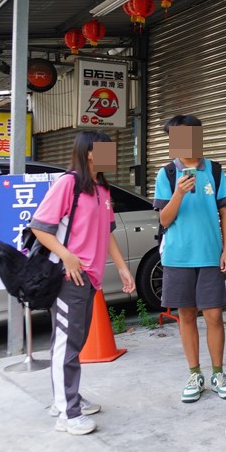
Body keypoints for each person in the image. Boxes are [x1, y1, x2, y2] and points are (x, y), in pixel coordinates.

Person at [30, 131, 135, 436]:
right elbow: (40, 227)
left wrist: (122, 268)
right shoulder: (68, 184)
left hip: (90, 277)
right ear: (90, 153)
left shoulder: (102, 189)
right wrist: (67, 256)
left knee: (74, 340)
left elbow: (107, 232)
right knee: (67, 343)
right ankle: (66, 411)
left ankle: (65, 398)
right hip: (69, 277)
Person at [153, 114, 226, 403]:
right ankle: (194, 373)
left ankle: (217, 373)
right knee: (186, 315)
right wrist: (177, 193)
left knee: (214, 315)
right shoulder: (166, 173)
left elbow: (225, 213)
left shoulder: (214, 170)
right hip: (177, 257)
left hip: (210, 256)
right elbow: (164, 218)